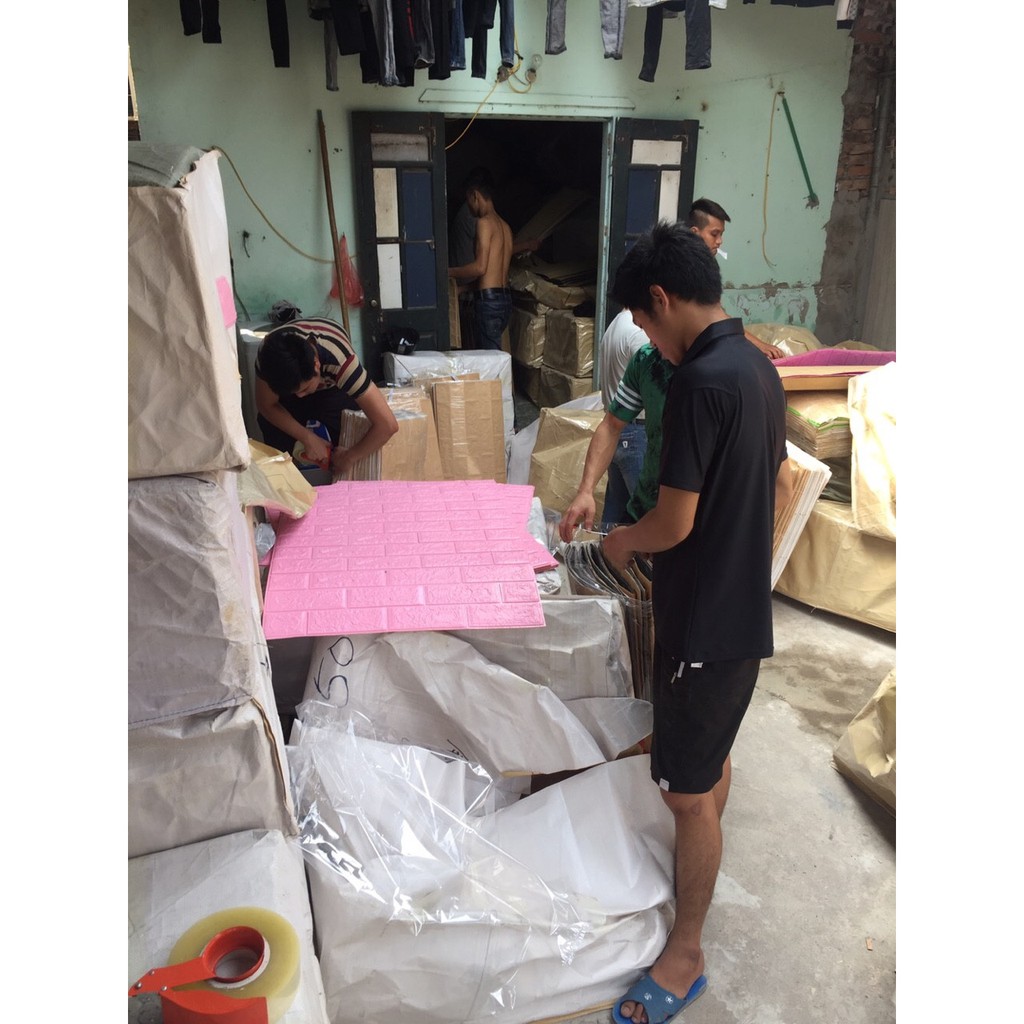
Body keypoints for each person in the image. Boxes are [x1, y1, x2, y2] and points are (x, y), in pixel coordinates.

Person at [602, 221, 791, 1024]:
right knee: (706, 771)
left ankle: (685, 954)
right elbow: (767, 484)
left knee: (684, 796)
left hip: (704, 628)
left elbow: (672, 522)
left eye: (644, 324)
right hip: (740, 611)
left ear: (661, 298)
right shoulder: (756, 366)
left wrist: (619, 540)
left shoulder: (698, 383)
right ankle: (702, 819)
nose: (647, 340)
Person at [558, 310, 675, 539]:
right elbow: (611, 424)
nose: (650, 339)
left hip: (628, 433)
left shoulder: (617, 325)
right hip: (633, 431)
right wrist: (585, 490)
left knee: (623, 513)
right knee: (632, 514)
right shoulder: (645, 353)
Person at [254, 315, 398, 477]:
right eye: (294, 392)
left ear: (317, 365)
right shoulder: (269, 358)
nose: (300, 396)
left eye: (305, 389)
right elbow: (266, 405)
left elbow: (388, 425)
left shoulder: (343, 363)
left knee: (344, 434)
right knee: (274, 430)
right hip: (292, 380)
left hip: (331, 387)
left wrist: (349, 457)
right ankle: (285, 481)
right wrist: (307, 437)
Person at [687, 198, 785, 360]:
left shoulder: (707, 264)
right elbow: (716, 317)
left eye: (721, 234)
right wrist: (759, 345)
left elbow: (718, 314)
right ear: (694, 232)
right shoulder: (684, 268)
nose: (720, 241)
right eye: (714, 234)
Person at [448, 168, 514, 350]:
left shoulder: (484, 223)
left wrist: (448, 271)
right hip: (504, 301)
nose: (468, 206)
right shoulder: (505, 227)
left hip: (489, 304)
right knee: (494, 357)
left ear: (475, 195)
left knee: (490, 361)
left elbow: (480, 268)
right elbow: (492, 276)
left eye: (468, 199)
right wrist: (462, 289)